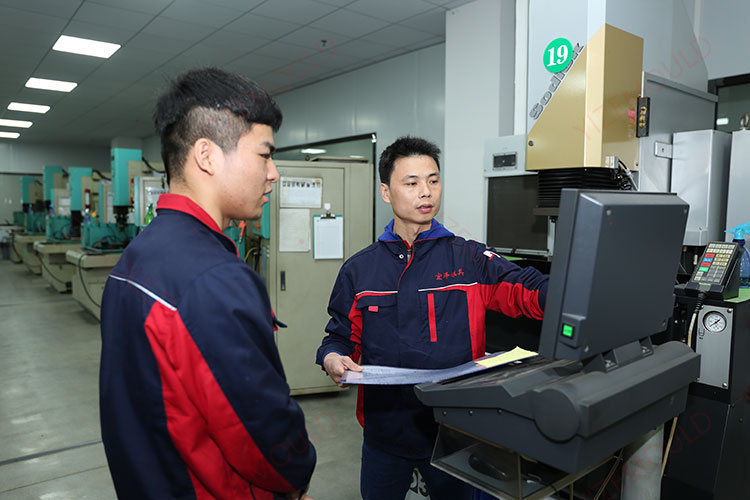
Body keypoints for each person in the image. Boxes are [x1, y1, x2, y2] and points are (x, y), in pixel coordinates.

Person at [99, 68, 316, 500]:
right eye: (264, 154)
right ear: (207, 155)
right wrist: (295, 476)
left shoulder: (137, 257)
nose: (273, 173)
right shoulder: (214, 278)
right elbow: (258, 428)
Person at [316, 136, 548, 500]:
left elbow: (529, 291)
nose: (426, 192)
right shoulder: (360, 271)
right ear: (386, 192)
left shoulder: (469, 260)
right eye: (412, 183)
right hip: (385, 430)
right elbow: (339, 336)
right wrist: (332, 356)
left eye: (433, 180)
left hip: (455, 429)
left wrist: (576, 289)